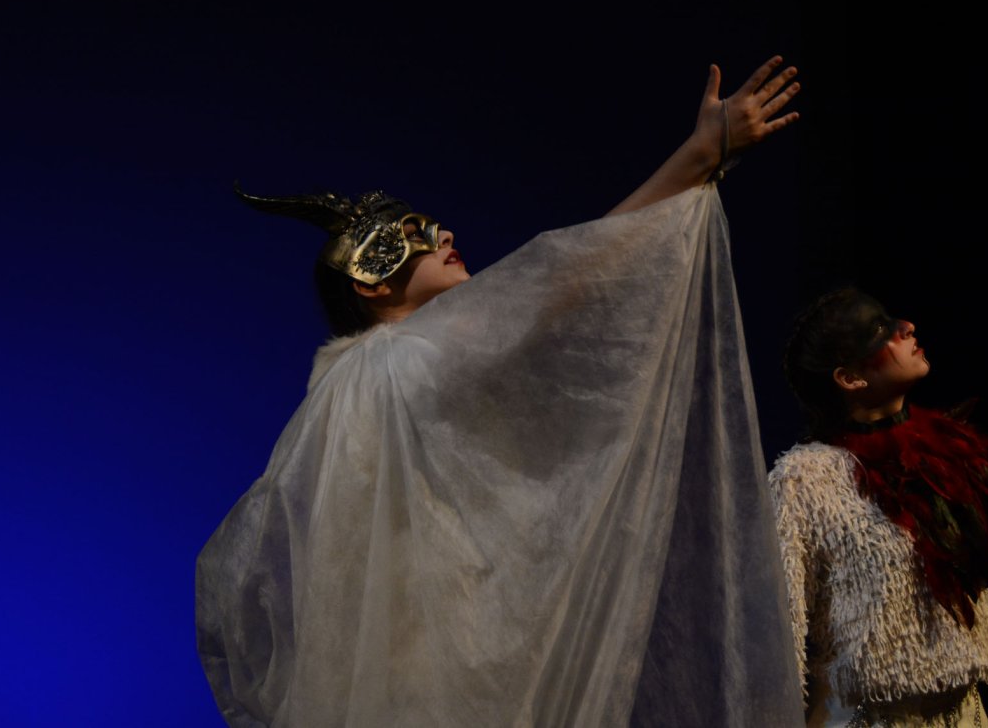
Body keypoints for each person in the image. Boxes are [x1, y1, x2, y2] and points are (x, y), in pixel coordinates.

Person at [196, 58, 807, 727]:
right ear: (372, 282)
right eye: (413, 236)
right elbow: (568, 284)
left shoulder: (342, 389)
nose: (445, 235)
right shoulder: (399, 361)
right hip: (440, 670)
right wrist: (697, 156)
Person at [770, 288, 988, 728]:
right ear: (849, 378)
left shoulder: (952, 459)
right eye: (879, 330)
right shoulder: (804, 479)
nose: (907, 327)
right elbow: (784, 631)